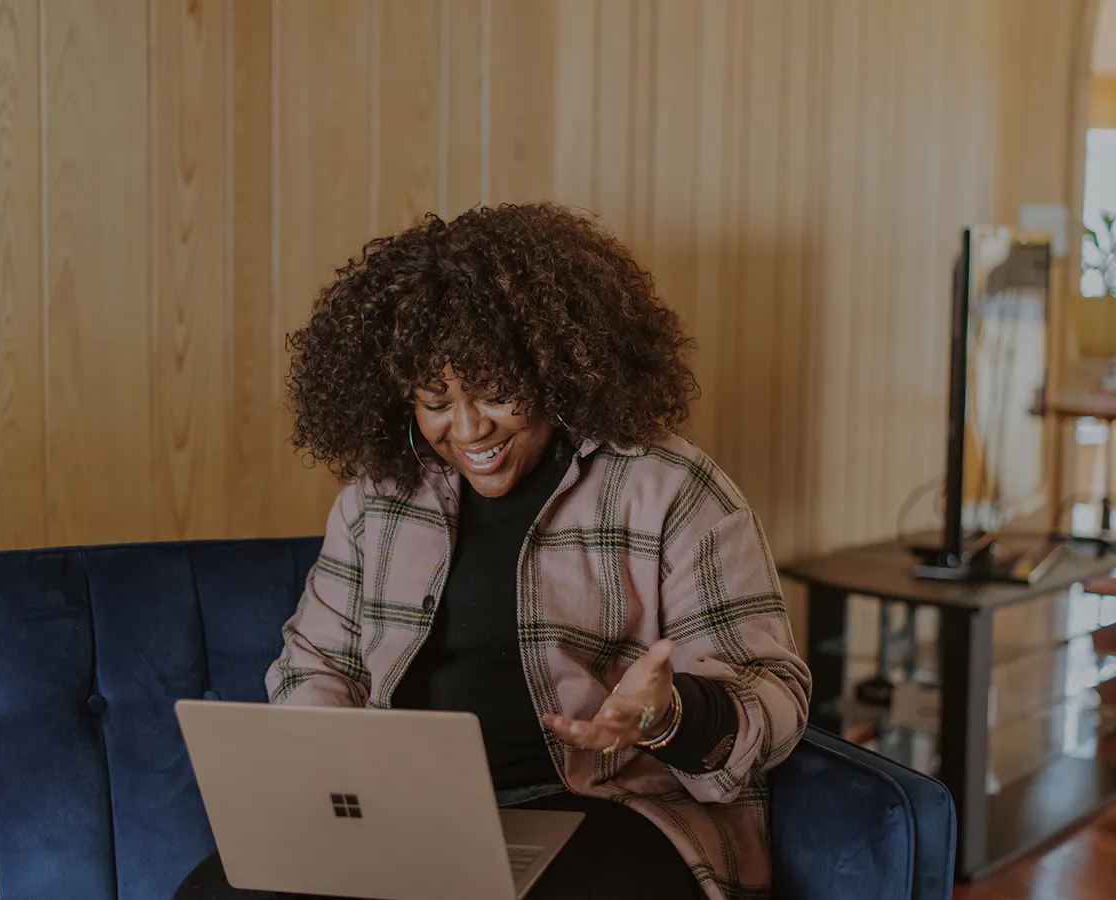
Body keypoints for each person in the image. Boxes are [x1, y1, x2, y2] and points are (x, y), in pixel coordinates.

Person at [175, 202, 810, 900]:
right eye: (435, 400)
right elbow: (317, 664)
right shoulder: (376, 500)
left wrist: (673, 714)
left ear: (555, 369)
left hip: (610, 810)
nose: (469, 427)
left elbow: (774, 693)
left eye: (497, 391)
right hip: (413, 817)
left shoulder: (670, 487)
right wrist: (331, 783)